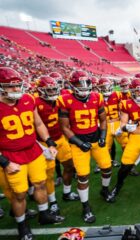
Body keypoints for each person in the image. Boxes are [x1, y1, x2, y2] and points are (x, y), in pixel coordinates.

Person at [0, 67, 65, 240]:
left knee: (41, 183)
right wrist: (5, 162)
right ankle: (22, 225)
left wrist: (49, 142)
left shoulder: (28, 99)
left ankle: (44, 215)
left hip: (33, 151)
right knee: (19, 193)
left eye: (17, 85)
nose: (16, 89)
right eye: (10, 86)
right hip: (11, 155)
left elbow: (38, 124)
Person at [58, 70, 113, 224]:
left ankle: (104, 189)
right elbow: (65, 127)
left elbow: (103, 120)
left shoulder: (97, 97)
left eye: (85, 84)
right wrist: (79, 142)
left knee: (107, 167)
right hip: (78, 141)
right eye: (78, 84)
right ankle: (86, 207)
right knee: (83, 176)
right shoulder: (65, 100)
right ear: (71, 85)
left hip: (96, 137)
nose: (83, 87)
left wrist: (102, 136)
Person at [36, 76, 80, 216]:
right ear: (41, 90)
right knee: (47, 176)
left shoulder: (62, 99)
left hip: (60, 139)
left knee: (70, 166)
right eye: (49, 90)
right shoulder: (35, 102)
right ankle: (52, 201)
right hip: (43, 143)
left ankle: (66, 193)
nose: (53, 92)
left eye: (54, 89)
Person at [110, 78, 140, 198]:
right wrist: (127, 128)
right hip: (135, 138)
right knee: (125, 166)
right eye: (137, 90)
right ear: (132, 91)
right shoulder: (126, 103)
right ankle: (117, 187)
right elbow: (123, 124)